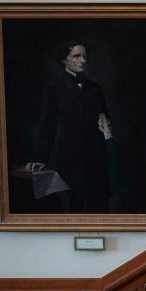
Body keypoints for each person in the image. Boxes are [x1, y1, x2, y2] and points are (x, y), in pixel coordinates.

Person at [26, 41, 114, 213]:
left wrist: (107, 126)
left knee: (99, 205)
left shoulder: (95, 88)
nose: (82, 60)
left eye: (84, 56)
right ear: (64, 60)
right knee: (74, 206)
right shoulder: (54, 88)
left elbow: (105, 119)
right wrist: (40, 158)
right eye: (76, 56)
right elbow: (48, 124)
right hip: (70, 158)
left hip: (96, 156)